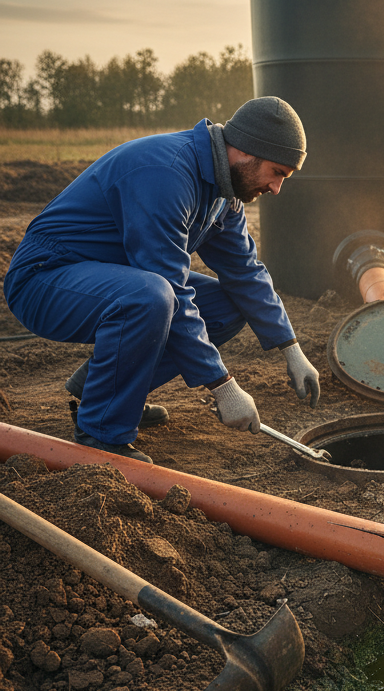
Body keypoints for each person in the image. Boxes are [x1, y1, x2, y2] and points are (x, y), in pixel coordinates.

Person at [4, 96, 321, 464]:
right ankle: (101, 432)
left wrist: (290, 348)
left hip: (111, 278)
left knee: (227, 304)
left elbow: (245, 272)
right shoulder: (166, 172)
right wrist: (223, 386)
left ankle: (105, 390)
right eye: (277, 172)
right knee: (152, 296)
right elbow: (167, 282)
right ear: (247, 150)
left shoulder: (224, 192)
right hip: (45, 279)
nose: (276, 188)